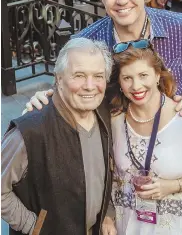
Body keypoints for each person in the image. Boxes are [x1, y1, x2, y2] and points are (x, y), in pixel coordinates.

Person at [25, 0, 182, 117]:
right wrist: (44, 101)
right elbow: (65, 90)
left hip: (174, 135)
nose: (122, 0)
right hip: (116, 146)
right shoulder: (85, 43)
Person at [1, 38, 117, 235]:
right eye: (79, 75)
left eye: (98, 76)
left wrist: (108, 212)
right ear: (59, 78)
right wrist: (35, 227)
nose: (90, 86)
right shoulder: (30, 131)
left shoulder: (105, 114)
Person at [108, 44, 182, 235]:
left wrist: (172, 186)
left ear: (158, 75)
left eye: (143, 75)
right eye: (127, 78)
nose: (136, 86)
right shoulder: (115, 121)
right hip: (128, 226)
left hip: (177, 227)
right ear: (119, 82)